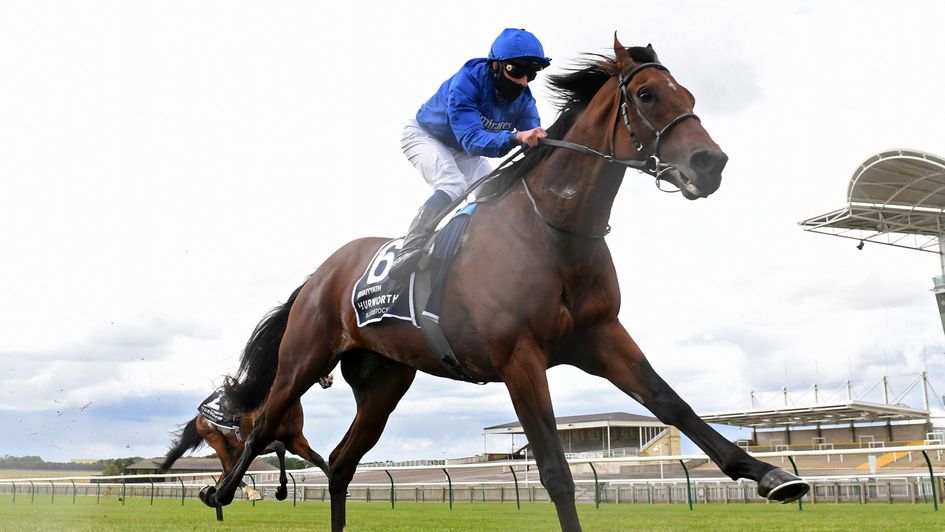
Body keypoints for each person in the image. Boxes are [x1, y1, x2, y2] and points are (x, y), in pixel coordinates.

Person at [388, 28, 551, 281]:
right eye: (516, 71)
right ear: (496, 66)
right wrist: (516, 137)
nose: (523, 82)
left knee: (494, 191)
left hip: (462, 148)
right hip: (425, 135)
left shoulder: (525, 100)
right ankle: (409, 248)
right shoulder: (467, 82)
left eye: (530, 74)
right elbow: (473, 141)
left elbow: (534, 142)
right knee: (453, 184)